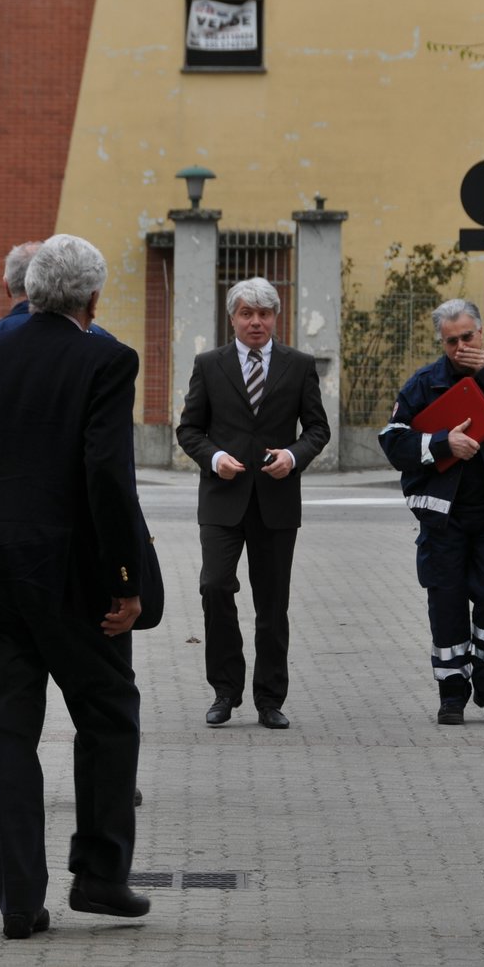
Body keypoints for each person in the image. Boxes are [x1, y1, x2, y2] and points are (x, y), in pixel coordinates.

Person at [0, 233, 150, 939]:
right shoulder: (106, 359)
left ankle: (19, 901)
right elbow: (106, 477)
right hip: (76, 579)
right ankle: (101, 874)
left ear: (28, 288)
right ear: (92, 298)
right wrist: (125, 580)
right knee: (108, 714)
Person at [377, 299, 484, 725]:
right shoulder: (425, 384)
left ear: (482, 334)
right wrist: (441, 444)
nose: (460, 347)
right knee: (447, 604)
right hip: (443, 521)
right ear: (442, 341)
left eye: (467, 337)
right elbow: (393, 442)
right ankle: (452, 693)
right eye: (451, 341)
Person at [175, 277, 330, 730]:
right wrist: (215, 457)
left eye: (264, 314)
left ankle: (269, 699)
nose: (256, 322)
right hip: (223, 500)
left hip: (276, 502)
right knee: (215, 586)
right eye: (247, 313)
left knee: (272, 604)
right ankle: (225, 690)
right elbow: (189, 430)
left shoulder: (298, 365)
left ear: (275, 317)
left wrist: (294, 456)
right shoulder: (209, 364)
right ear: (233, 318)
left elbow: (317, 429)